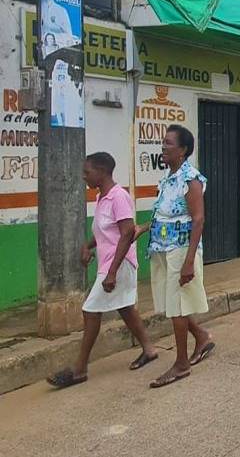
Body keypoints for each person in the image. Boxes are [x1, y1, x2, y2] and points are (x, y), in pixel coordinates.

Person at [47, 153, 158, 388]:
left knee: (90, 310)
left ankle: (79, 369)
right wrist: (87, 246)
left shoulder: (119, 197)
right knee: (125, 308)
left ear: (102, 172)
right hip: (108, 264)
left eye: (87, 172)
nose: (84, 176)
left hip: (118, 265)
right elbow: (104, 232)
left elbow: (127, 233)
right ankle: (149, 349)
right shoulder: (101, 198)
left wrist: (112, 272)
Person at [135, 124, 214, 388]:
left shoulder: (191, 179)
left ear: (182, 150)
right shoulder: (169, 178)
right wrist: (143, 228)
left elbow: (198, 219)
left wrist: (189, 261)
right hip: (162, 247)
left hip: (180, 250)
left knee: (177, 305)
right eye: (163, 142)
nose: (163, 147)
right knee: (173, 303)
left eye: (169, 143)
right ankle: (201, 337)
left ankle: (181, 364)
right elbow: (165, 212)